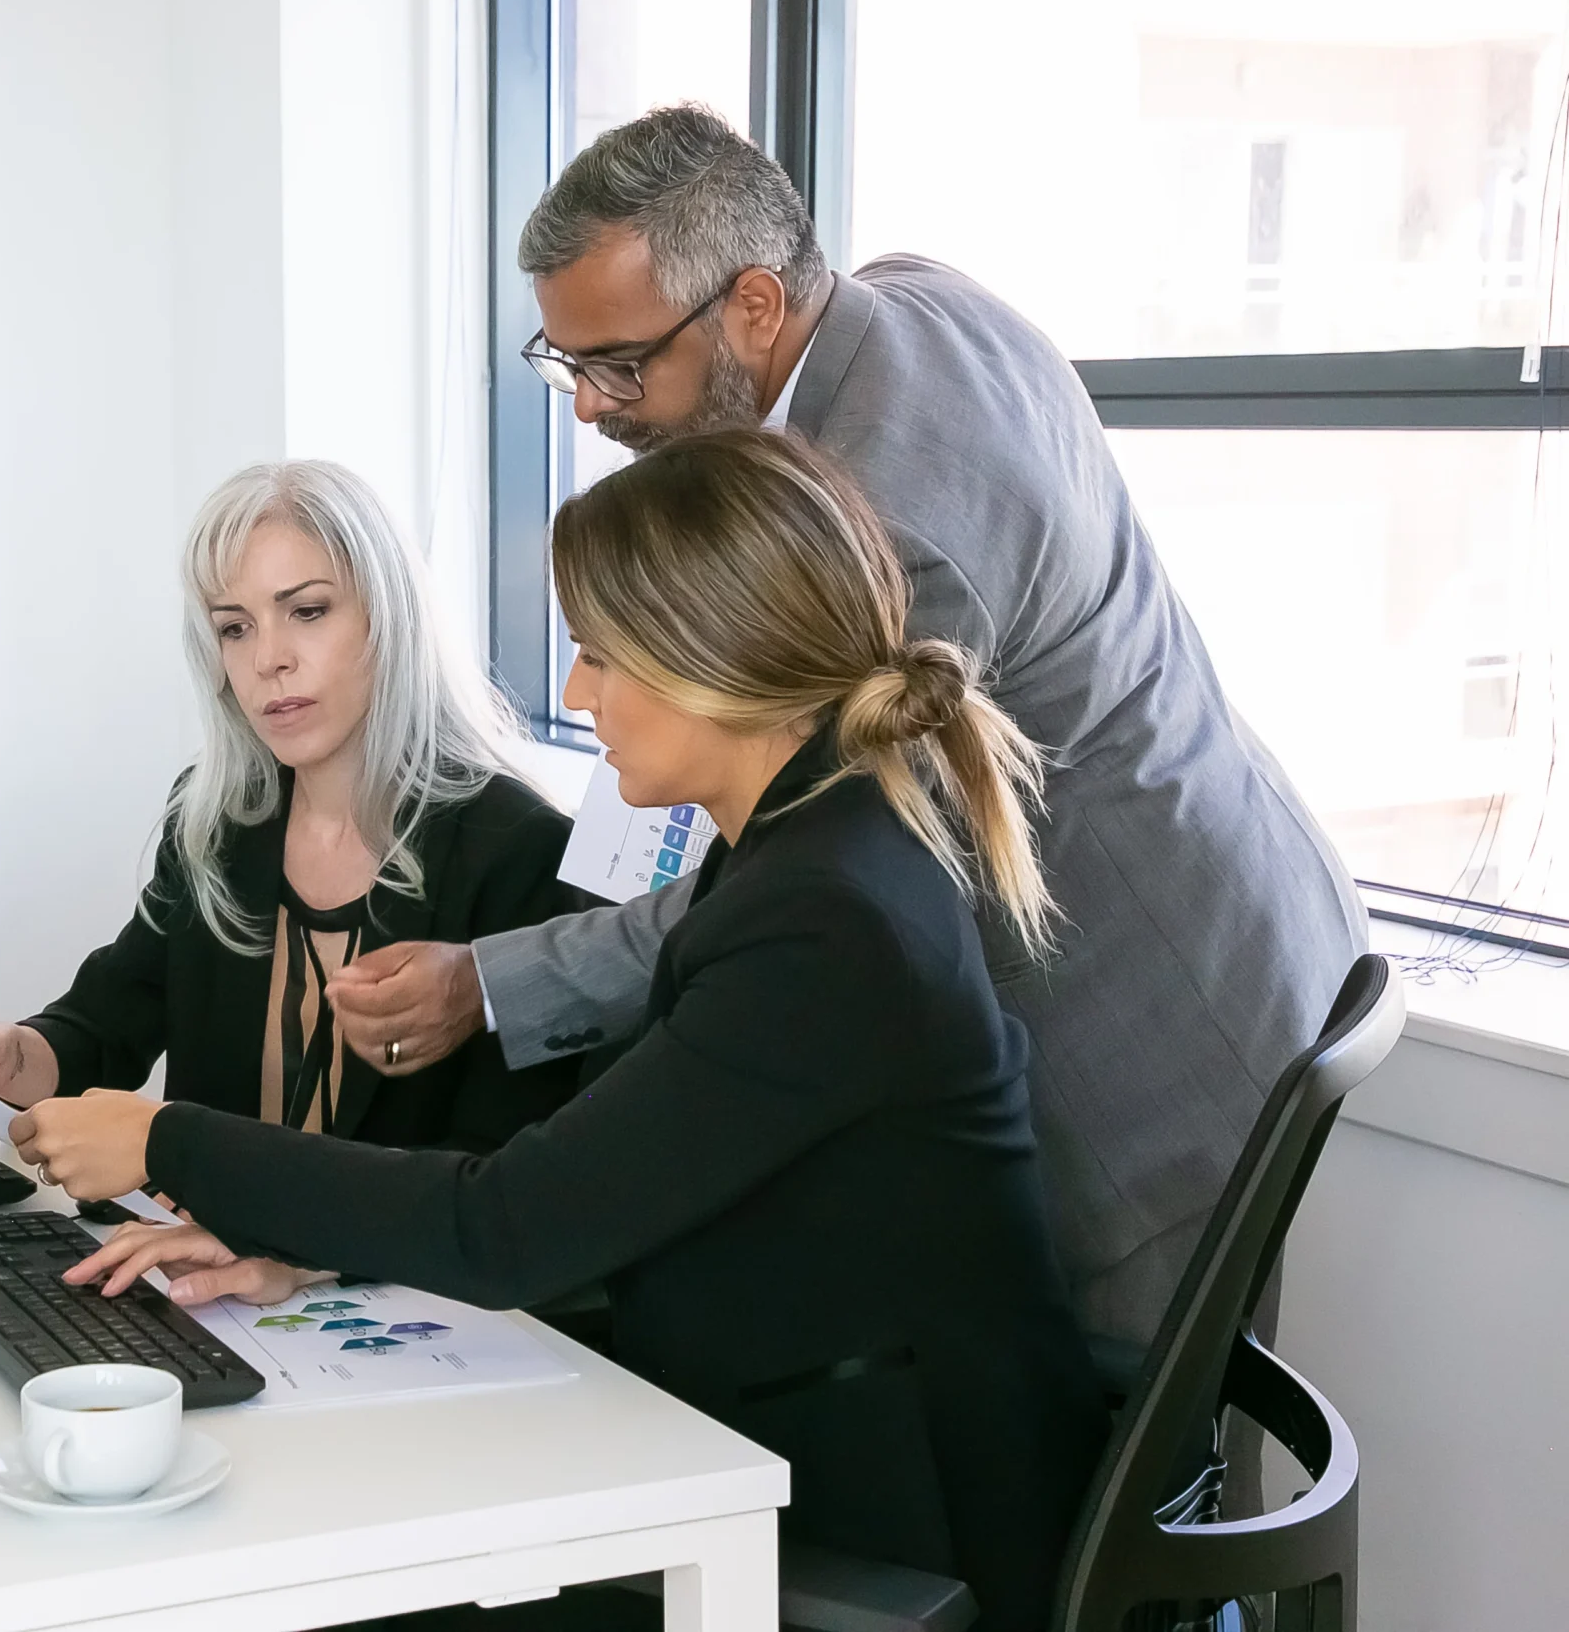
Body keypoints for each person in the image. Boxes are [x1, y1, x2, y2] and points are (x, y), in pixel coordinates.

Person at [16, 431, 1110, 1632]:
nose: (578, 696)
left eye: (598, 656)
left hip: (897, 1520)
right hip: (800, 1418)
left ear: (715, 657)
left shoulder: (821, 922)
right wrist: (305, 1248)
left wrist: (166, 1140)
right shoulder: (809, 847)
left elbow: (506, 1225)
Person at [323, 104, 1366, 1349]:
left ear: (754, 307)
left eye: (619, 364)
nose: (591, 409)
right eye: (566, 366)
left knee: (1127, 1485)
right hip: (1235, 888)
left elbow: (808, 875)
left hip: (1155, 1021)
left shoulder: (896, 537)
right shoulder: (906, 300)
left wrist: (492, 985)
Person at [0, 459, 590, 1211]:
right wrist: (11, 1054)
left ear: (389, 616)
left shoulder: (520, 849)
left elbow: (497, 1169)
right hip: (195, 1283)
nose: (268, 660)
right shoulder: (217, 818)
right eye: (235, 626)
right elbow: (106, 1024)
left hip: (384, 1301)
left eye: (308, 610)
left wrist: (280, 1239)